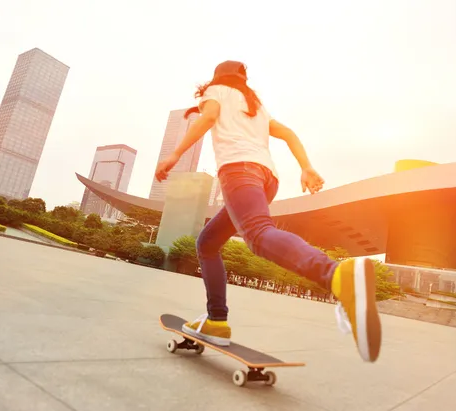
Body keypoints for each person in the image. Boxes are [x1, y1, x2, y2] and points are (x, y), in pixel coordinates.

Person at [154, 61, 382, 363]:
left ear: (217, 77)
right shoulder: (254, 105)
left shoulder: (215, 91)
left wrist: (174, 154)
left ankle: (337, 275)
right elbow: (287, 133)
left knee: (259, 236)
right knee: (207, 244)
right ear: (243, 80)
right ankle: (217, 321)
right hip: (266, 179)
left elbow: (208, 116)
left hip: (240, 172)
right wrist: (306, 167)